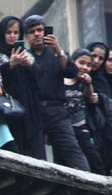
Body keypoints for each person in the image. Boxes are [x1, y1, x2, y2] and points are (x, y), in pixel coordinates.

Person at [25, 16, 89, 170]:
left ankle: (88, 184)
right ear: (26, 37)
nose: (37, 34)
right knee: (36, 158)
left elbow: (71, 72)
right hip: (34, 112)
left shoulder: (56, 54)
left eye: (40, 30)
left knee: (71, 151)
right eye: (32, 32)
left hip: (57, 111)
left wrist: (58, 50)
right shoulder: (24, 56)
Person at [0, 15, 44, 161]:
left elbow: (40, 81)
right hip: (9, 109)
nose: (12, 36)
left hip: (30, 110)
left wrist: (30, 66)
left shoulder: (26, 53)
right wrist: (11, 64)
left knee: (35, 154)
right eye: (8, 33)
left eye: (16, 33)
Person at [62, 49, 107, 173]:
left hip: (82, 129)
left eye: (88, 65)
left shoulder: (84, 84)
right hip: (64, 129)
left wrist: (88, 83)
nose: (85, 67)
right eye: (81, 63)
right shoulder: (61, 81)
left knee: (93, 158)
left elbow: (89, 95)